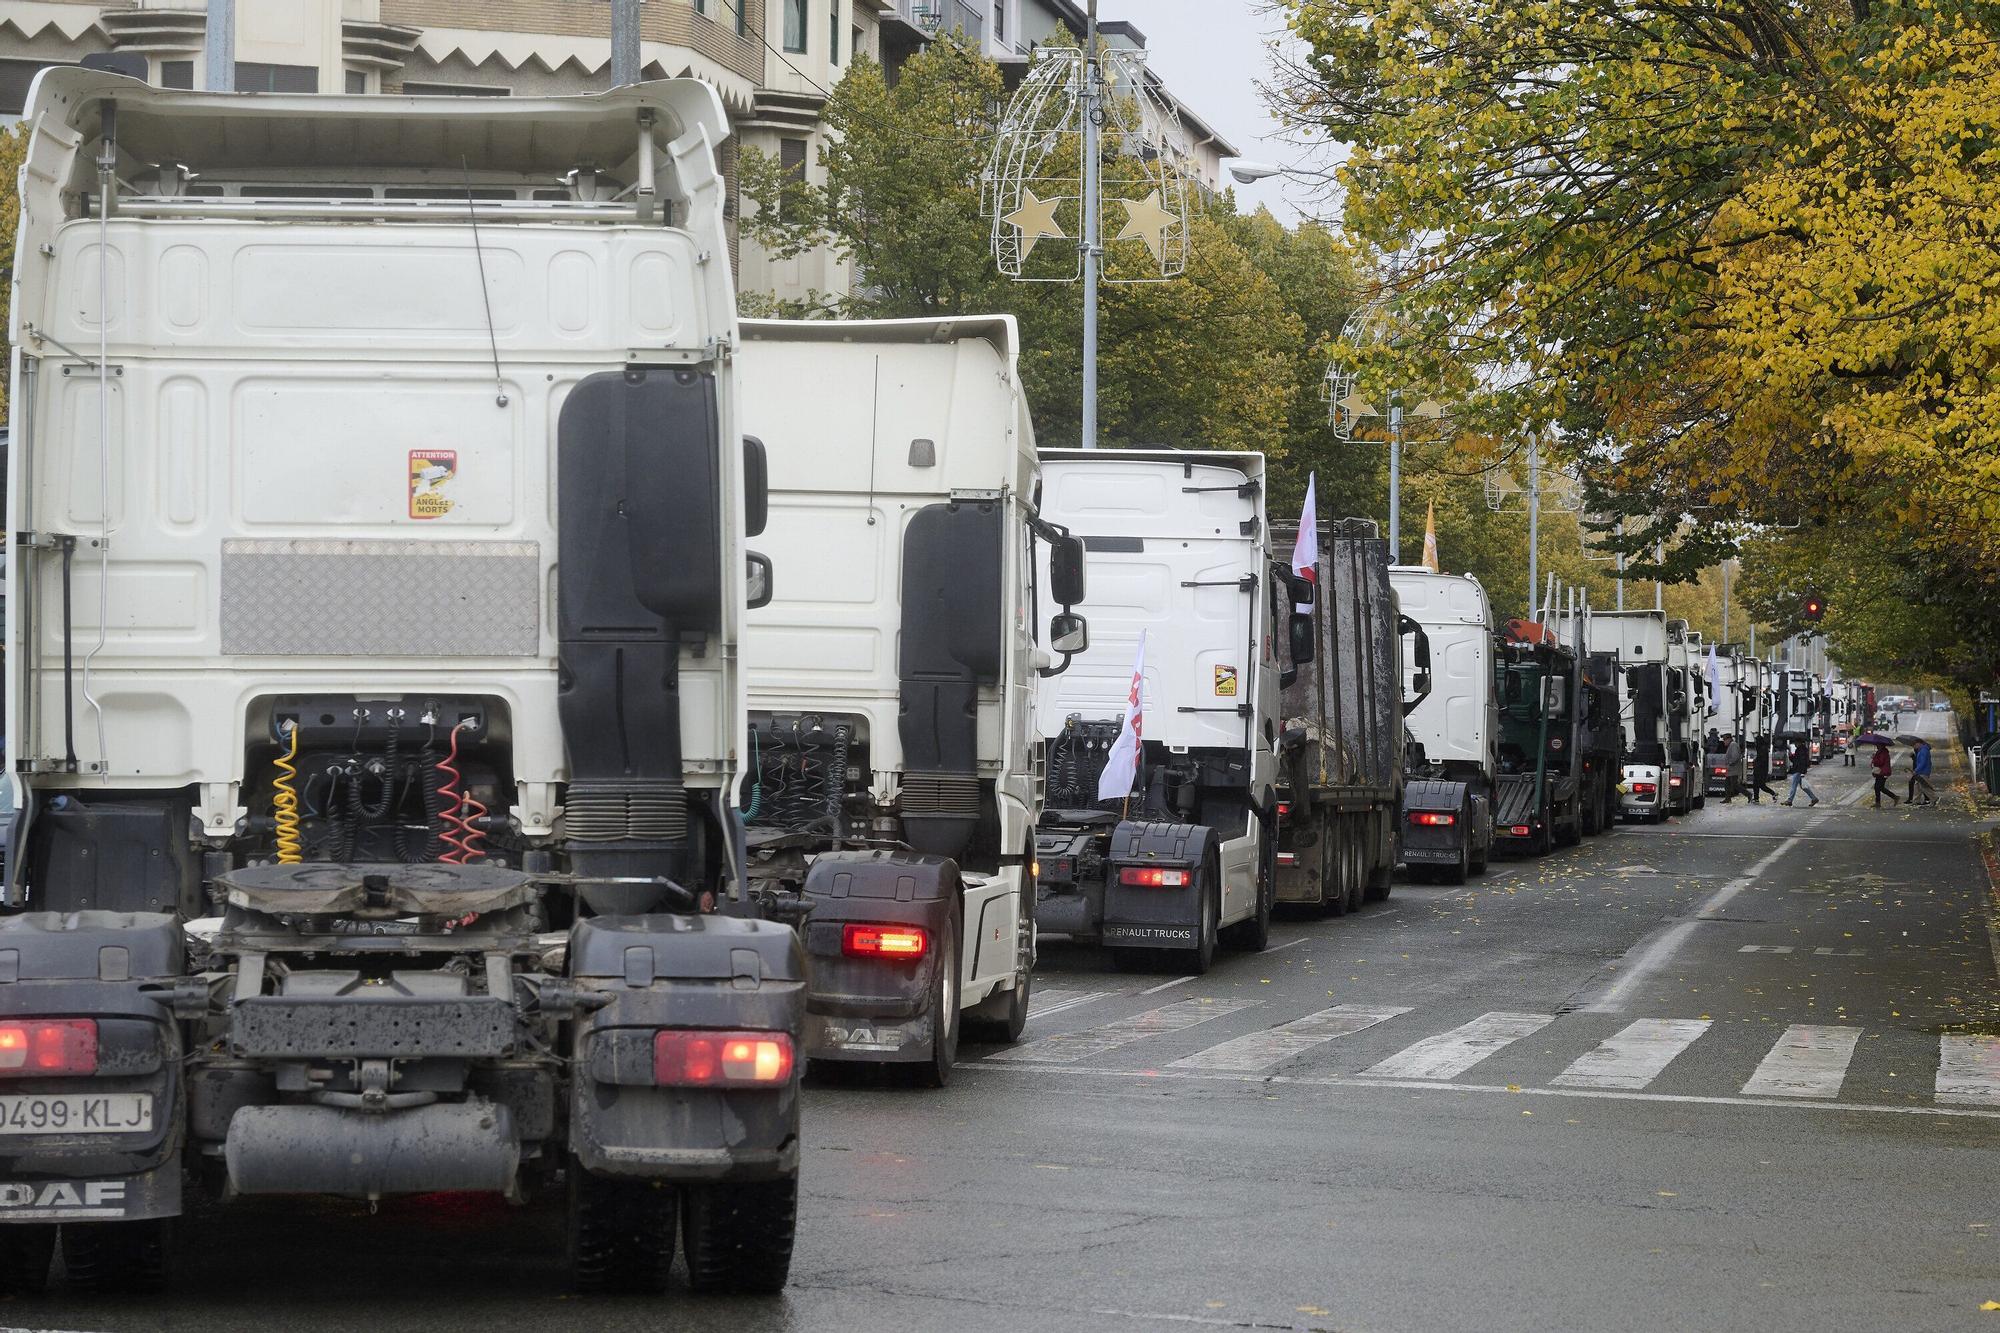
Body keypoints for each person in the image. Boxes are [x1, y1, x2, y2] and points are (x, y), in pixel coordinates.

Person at [1784, 738, 1819, 806]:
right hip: (1799, 770)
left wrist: (1802, 772)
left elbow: (1799, 761)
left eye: (1795, 743)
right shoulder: (1801, 749)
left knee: (1794, 785)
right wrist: (1790, 753)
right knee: (1803, 787)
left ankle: (1790, 800)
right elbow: (1795, 760)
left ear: (1799, 742)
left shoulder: (1801, 750)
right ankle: (1814, 798)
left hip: (1798, 770)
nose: (1794, 744)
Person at [1750, 734, 1780, 804]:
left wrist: (1756, 762)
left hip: (1760, 770)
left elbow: (1762, 760)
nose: (1755, 743)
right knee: (1757, 785)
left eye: (1756, 741)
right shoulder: (1762, 748)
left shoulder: (1762, 749)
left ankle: (1772, 793)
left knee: (1760, 785)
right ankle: (1757, 798)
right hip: (1760, 770)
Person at [1870, 742, 1900, 808]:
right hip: (1880, 772)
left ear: (1881, 745)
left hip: (1883, 772)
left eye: (1878, 745)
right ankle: (1880, 802)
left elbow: (1880, 762)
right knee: (1879, 787)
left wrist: (1874, 758)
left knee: (1878, 787)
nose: (1877, 746)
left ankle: (1894, 797)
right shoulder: (1880, 752)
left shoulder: (1883, 753)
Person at [1908, 738, 1936, 806]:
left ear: (1918, 743)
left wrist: (1916, 770)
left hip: (1923, 771)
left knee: (1924, 787)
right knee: (1917, 786)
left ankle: (1934, 798)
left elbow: (1922, 763)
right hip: (1920, 771)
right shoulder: (1921, 750)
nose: (1914, 747)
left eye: (1914, 745)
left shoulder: (1924, 751)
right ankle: (1916, 801)